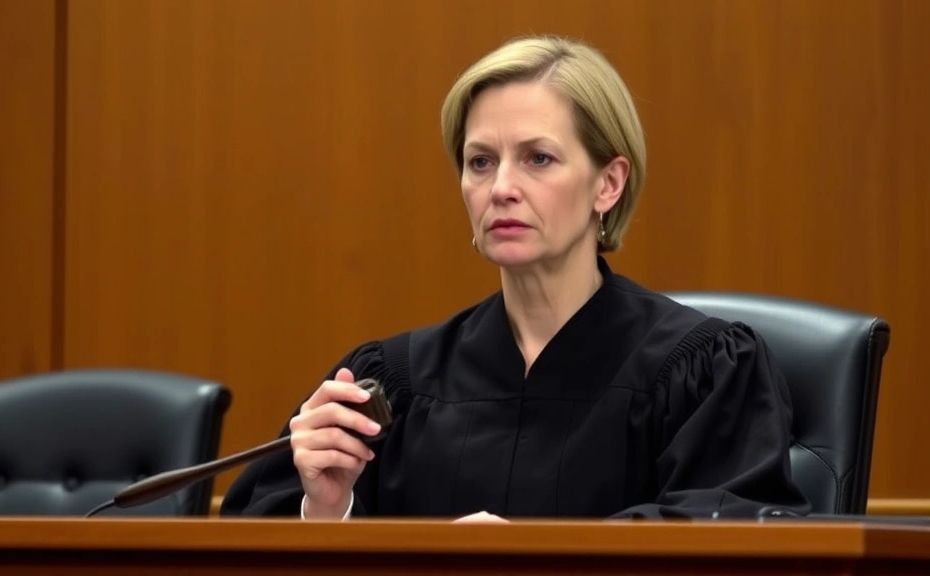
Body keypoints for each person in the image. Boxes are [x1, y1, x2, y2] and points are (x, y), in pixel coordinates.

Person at [220, 35, 811, 521]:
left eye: (538, 158)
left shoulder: (706, 373)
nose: (501, 187)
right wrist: (329, 508)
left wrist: (528, 560)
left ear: (608, 184)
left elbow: (729, 541)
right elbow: (251, 538)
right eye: (480, 161)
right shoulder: (394, 383)